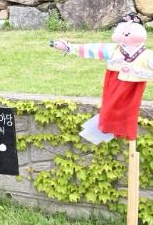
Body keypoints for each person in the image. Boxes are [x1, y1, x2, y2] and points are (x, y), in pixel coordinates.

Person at [50, 13, 153, 142]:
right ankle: (106, 130)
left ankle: (123, 133)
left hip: (135, 84)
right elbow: (92, 49)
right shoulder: (113, 50)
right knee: (110, 109)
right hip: (114, 82)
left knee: (129, 111)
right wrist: (69, 47)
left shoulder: (146, 55)